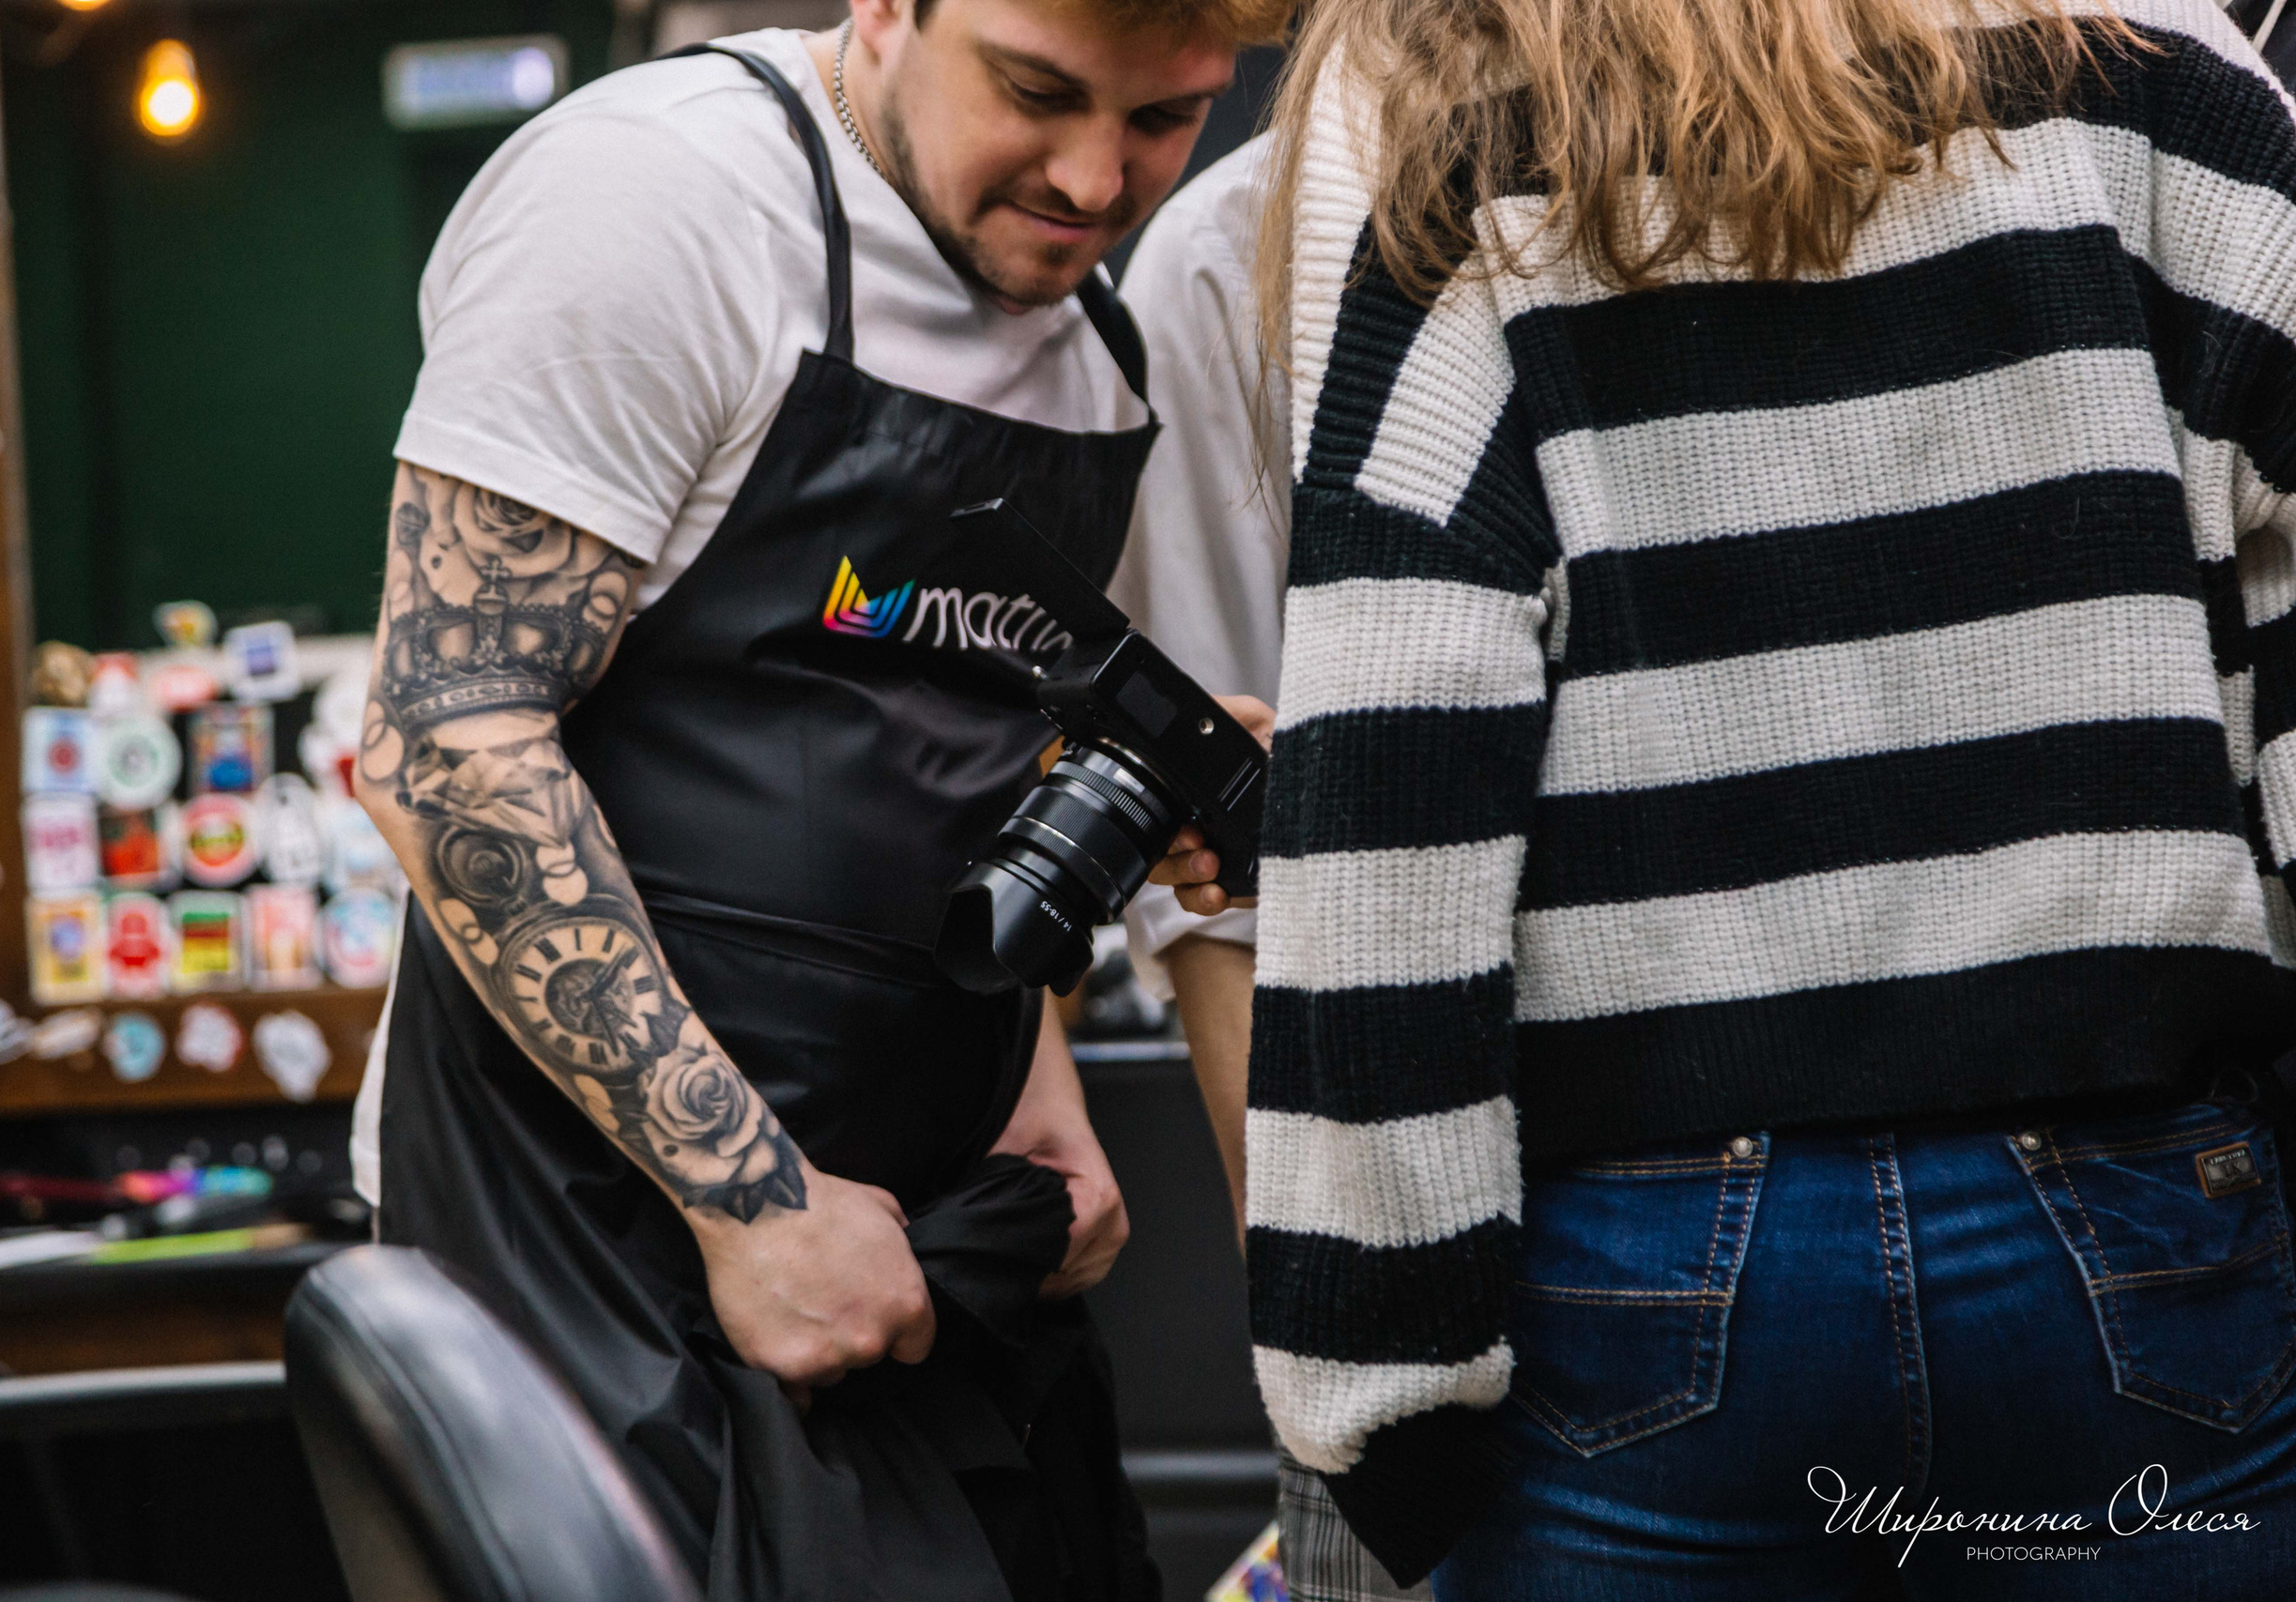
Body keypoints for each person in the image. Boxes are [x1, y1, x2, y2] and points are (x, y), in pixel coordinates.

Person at [1156, 0, 2296, 1592]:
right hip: (2139, 1213)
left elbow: (1393, 804)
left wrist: (1381, 1388)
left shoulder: (1476, 172)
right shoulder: (2156, 79)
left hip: (1658, 1273)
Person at [342, 0, 1287, 1593]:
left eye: (1162, 120)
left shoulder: (1091, 347)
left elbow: (938, 755)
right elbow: (448, 740)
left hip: (933, 1257)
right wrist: (755, 1206)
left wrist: (1033, 1074)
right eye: (1035, 91)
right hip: (600, 1249)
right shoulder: (665, 205)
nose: (1090, 180)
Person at [1108, 135, 1429, 1602]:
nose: (1092, 175)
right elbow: (1215, 874)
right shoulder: (1235, 248)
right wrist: (1316, 1325)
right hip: (1415, 1256)